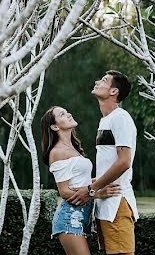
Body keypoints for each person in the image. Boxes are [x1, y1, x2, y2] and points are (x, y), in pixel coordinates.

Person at [67, 71, 138, 255]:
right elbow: (110, 164)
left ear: (114, 91)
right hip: (105, 205)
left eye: (104, 80)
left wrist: (92, 188)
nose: (97, 81)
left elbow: (124, 162)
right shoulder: (106, 120)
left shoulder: (120, 117)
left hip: (117, 203)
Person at [41, 106, 122, 255]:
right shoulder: (57, 151)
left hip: (83, 217)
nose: (69, 114)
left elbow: (78, 182)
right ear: (54, 126)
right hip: (69, 219)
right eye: (62, 114)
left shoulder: (73, 148)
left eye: (67, 111)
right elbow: (64, 191)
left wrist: (99, 181)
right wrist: (97, 193)